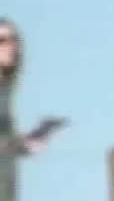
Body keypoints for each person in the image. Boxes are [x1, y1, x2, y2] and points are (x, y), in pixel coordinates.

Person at [0, 18, 67, 201]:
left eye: (13, 40)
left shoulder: (6, 88)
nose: (9, 46)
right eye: (2, 41)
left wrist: (30, 141)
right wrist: (18, 143)